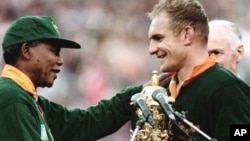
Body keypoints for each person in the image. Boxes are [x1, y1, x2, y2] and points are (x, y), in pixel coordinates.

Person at [0, 15, 143, 141]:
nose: (60, 60)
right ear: (26, 51)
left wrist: (140, 93)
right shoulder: (12, 97)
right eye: (54, 51)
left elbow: (86, 123)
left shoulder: (29, 99)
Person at [146, 0, 250, 140]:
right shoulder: (164, 87)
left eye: (216, 53)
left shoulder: (228, 87)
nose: (211, 60)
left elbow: (241, 134)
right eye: (206, 54)